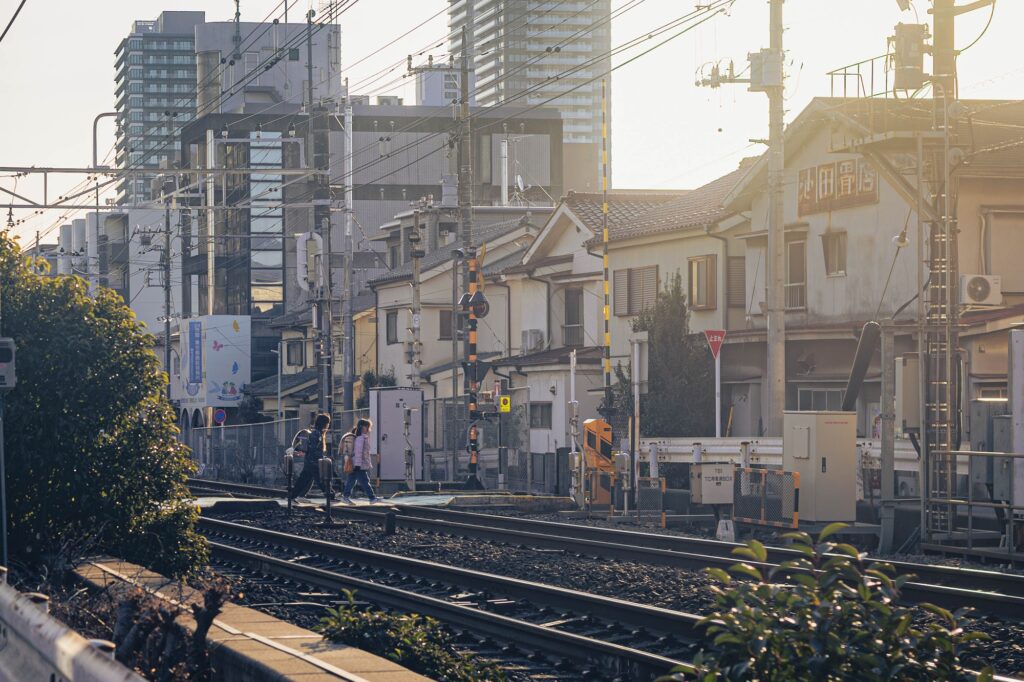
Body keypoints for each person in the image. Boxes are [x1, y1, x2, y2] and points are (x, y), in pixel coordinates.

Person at [289, 413, 335, 501]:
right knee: (321, 480)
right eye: (328, 423)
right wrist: (322, 457)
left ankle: (293, 496)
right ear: (324, 423)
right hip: (314, 462)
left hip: (310, 462)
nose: (328, 425)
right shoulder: (316, 434)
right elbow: (314, 449)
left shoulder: (317, 433)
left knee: (303, 481)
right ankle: (330, 496)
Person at [343, 418, 379, 504]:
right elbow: (358, 452)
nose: (369, 429)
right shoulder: (361, 438)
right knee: (365, 481)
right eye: (367, 427)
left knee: (351, 481)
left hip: (356, 463)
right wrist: (358, 465)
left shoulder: (358, 437)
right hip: (359, 465)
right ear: (363, 427)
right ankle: (372, 498)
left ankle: (345, 497)